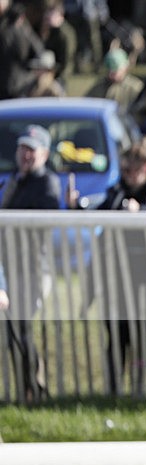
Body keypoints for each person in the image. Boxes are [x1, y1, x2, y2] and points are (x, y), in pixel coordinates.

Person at [90, 137, 146, 394]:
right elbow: (98, 210)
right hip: (117, 273)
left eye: (135, 170)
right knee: (117, 335)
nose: (130, 175)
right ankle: (113, 391)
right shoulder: (117, 190)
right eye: (126, 169)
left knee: (140, 337)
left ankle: (138, 391)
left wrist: (140, 213)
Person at [0, 124, 60, 403]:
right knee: (14, 331)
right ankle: (29, 388)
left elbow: (39, 223)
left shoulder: (46, 182)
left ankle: (34, 389)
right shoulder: (14, 180)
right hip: (10, 265)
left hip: (32, 267)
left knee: (21, 330)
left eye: (32, 150)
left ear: (45, 154)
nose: (26, 155)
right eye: (23, 148)